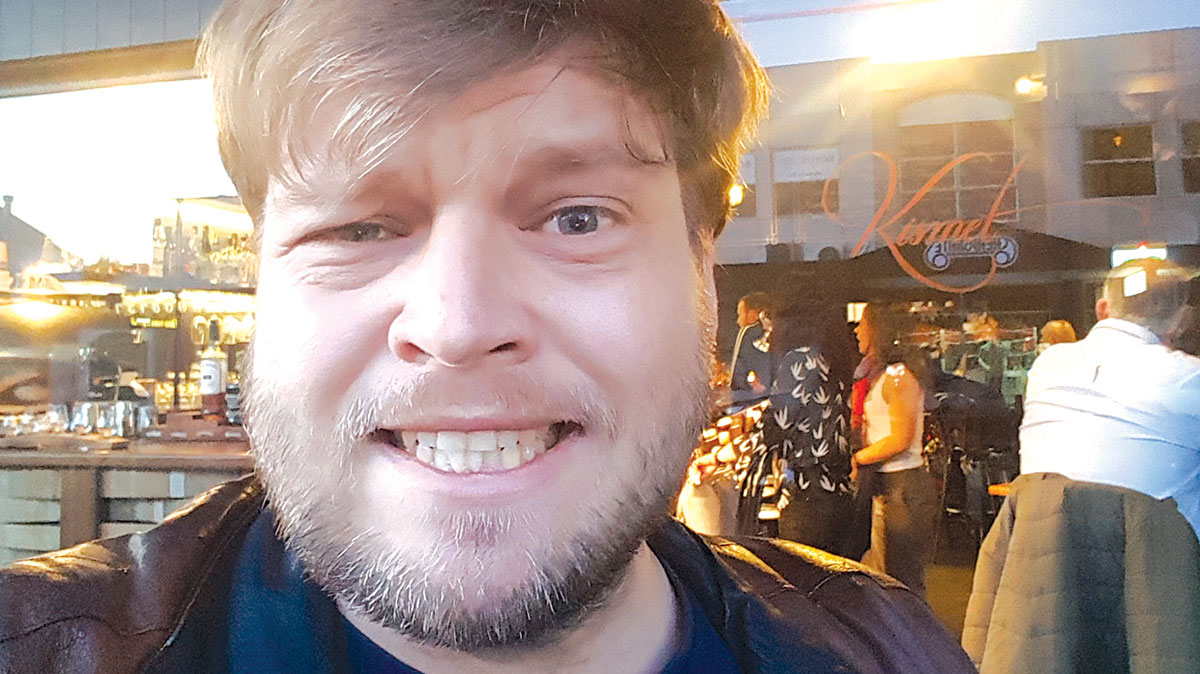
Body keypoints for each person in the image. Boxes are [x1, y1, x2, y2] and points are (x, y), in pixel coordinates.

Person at [0, 2, 975, 673]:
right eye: (358, 229)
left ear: (701, 264)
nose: (459, 326)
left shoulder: (889, 647)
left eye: (578, 218)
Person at [1021, 257, 1200, 539]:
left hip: (1046, 557)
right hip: (1159, 561)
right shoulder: (1190, 377)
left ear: (1102, 309)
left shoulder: (1047, 365)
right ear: (1183, 320)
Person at [852, 303, 939, 599]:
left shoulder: (899, 376)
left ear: (877, 330)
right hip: (890, 486)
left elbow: (901, 438)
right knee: (889, 577)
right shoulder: (880, 374)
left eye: (863, 323)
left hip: (903, 488)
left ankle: (913, 629)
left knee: (902, 583)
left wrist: (859, 457)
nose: (857, 330)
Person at [760, 299, 856, 554]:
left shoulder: (799, 360)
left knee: (801, 571)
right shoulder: (835, 360)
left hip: (806, 493)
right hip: (836, 490)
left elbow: (778, 423)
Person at [729, 291, 775, 406]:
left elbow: (738, 374)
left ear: (752, 315)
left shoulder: (748, 332)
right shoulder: (775, 335)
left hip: (747, 401)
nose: (738, 321)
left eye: (740, 315)